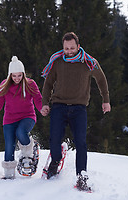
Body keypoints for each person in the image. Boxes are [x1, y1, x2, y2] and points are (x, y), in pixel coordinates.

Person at [40, 32, 111, 191]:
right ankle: (56, 160)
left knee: (81, 143)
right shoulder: (57, 62)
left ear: (78, 46)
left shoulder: (89, 62)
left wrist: (105, 99)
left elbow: (101, 79)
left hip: (79, 108)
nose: (69, 51)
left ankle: (81, 176)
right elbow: (48, 84)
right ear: (63, 48)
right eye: (66, 48)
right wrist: (45, 103)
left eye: (72, 48)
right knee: (54, 138)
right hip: (59, 106)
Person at [0, 56, 43, 179]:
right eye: (14, 76)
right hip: (9, 119)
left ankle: (28, 153)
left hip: (27, 116)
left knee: (21, 132)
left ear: (23, 74)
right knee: (9, 145)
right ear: (10, 75)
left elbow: (38, 99)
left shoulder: (30, 84)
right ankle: (9, 175)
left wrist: (42, 108)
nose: (17, 79)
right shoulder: (5, 85)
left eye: (19, 75)